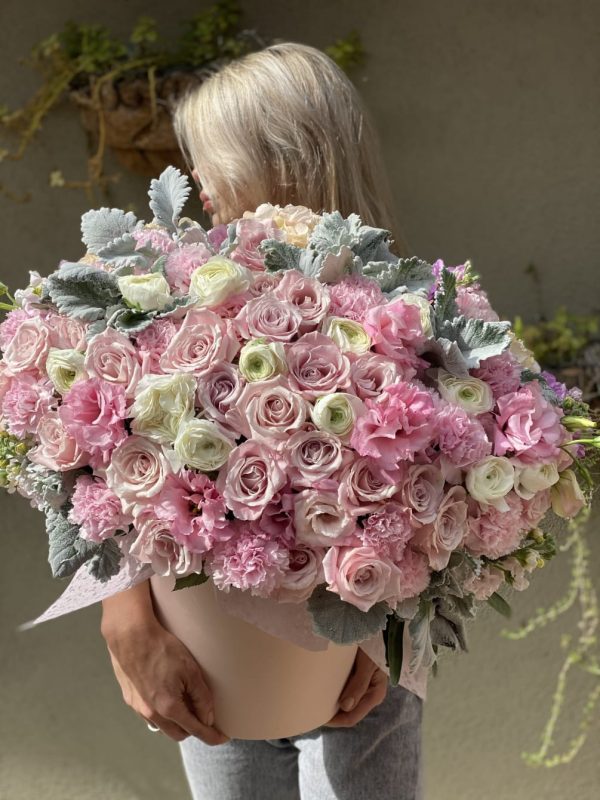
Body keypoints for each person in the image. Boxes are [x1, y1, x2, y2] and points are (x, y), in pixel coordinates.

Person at [101, 42, 424, 800]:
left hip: (359, 678)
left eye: (211, 161)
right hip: (213, 660)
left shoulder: (411, 323)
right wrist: (128, 619)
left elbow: (441, 512)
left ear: (285, 163)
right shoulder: (168, 308)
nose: (202, 188)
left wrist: (393, 634)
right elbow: (112, 467)